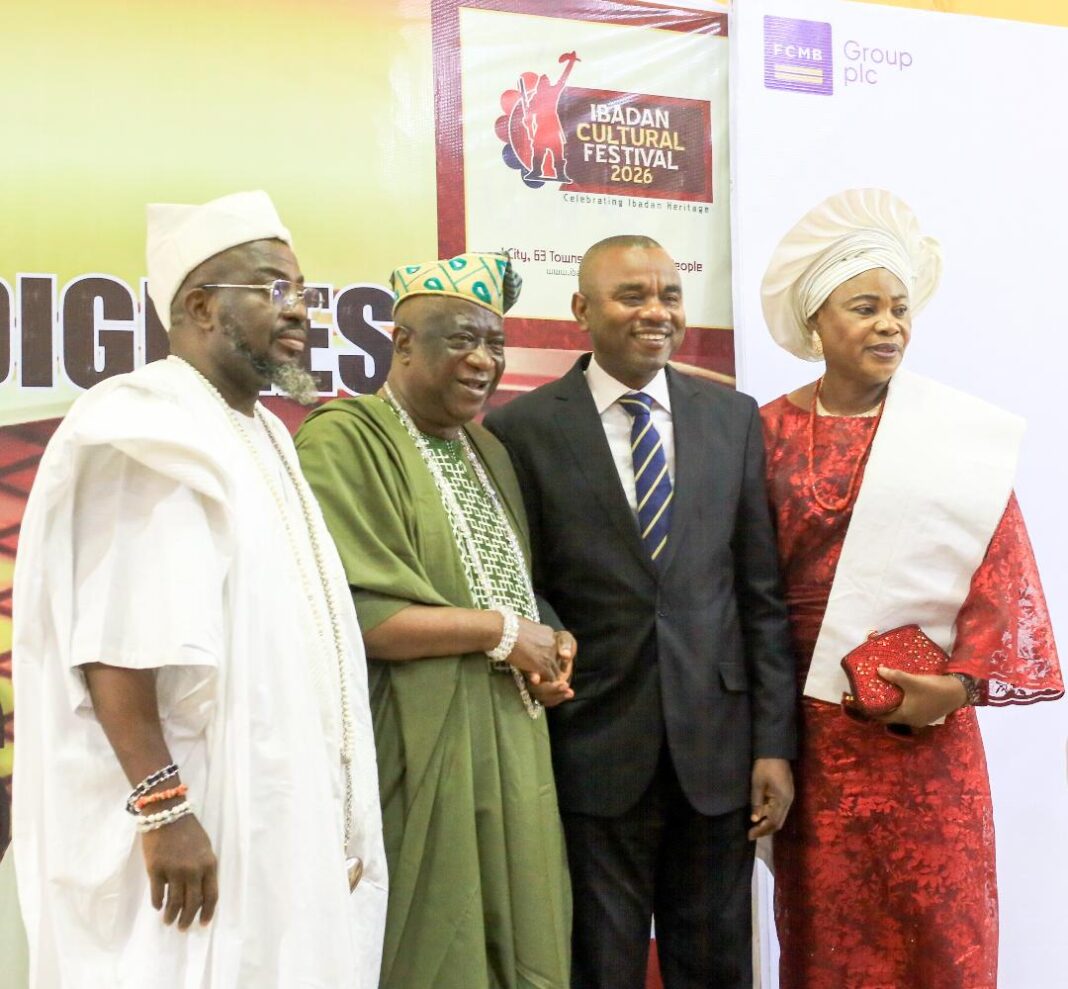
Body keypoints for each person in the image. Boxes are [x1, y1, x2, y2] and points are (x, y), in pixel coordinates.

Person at [11, 190, 387, 987]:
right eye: (275, 288)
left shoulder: (263, 432)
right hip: (195, 826)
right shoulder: (148, 425)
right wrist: (165, 810)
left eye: (305, 291)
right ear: (199, 305)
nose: (302, 310)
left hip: (266, 817)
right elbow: (117, 645)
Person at [758, 188, 1064, 989]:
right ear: (817, 320)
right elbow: (740, 588)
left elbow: (1002, 578)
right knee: (828, 937)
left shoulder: (953, 442)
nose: (889, 324)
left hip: (926, 738)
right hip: (809, 731)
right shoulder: (759, 432)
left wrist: (958, 687)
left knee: (941, 932)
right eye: (864, 307)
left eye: (899, 308)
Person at [484, 235, 797, 989]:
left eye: (669, 295)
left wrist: (774, 745)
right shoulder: (521, 429)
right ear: (581, 310)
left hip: (716, 754)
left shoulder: (732, 417)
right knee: (598, 963)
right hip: (590, 744)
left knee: (717, 964)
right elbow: (520, 580)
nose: (656, 312)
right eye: (633, 296)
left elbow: (759, 594)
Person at [294, 252, 573, 989]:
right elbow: (353, 615)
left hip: (513, 741)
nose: (483, 360)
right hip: (410, 741)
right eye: (459, 339)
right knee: (431, 946)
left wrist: (549, 640)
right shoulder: (345, 438)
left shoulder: (488, 448)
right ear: (403, 343)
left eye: (495, 343)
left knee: (526, 936)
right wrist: (503, 635)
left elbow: (507, 584)